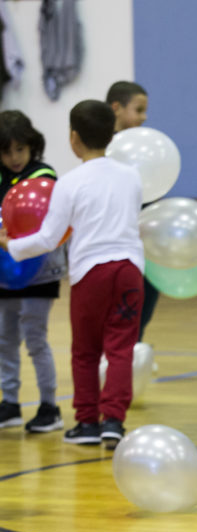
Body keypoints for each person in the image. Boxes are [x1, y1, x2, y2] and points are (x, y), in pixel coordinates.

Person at [0, 100, 144, 449]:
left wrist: (10, 244)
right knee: (121, 348)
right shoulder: (131, 175)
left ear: (73, 138)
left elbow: (49, 238)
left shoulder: (69, 182)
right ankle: (113, 421)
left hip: (91, 272)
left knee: (86, 352)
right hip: (129, 271)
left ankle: (87, 423)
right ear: (111, 136)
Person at [0, 110, 64, 433]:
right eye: (6, 151)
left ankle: (49, 406)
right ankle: (9, 403)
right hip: (5, 270)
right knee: (5, 337)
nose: (14, 158)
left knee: (35, 338)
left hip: (41, 270)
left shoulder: (43, 174)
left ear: (31, 146)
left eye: (20, 150)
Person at [105, 81, 156, 342]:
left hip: (143, 235)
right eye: (138, 109)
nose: (144, 117)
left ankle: (135, 345)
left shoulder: (144, 148)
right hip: (114, 240)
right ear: (116, 108)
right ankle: (119, 348)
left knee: (149, 291)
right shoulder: (102, 148)